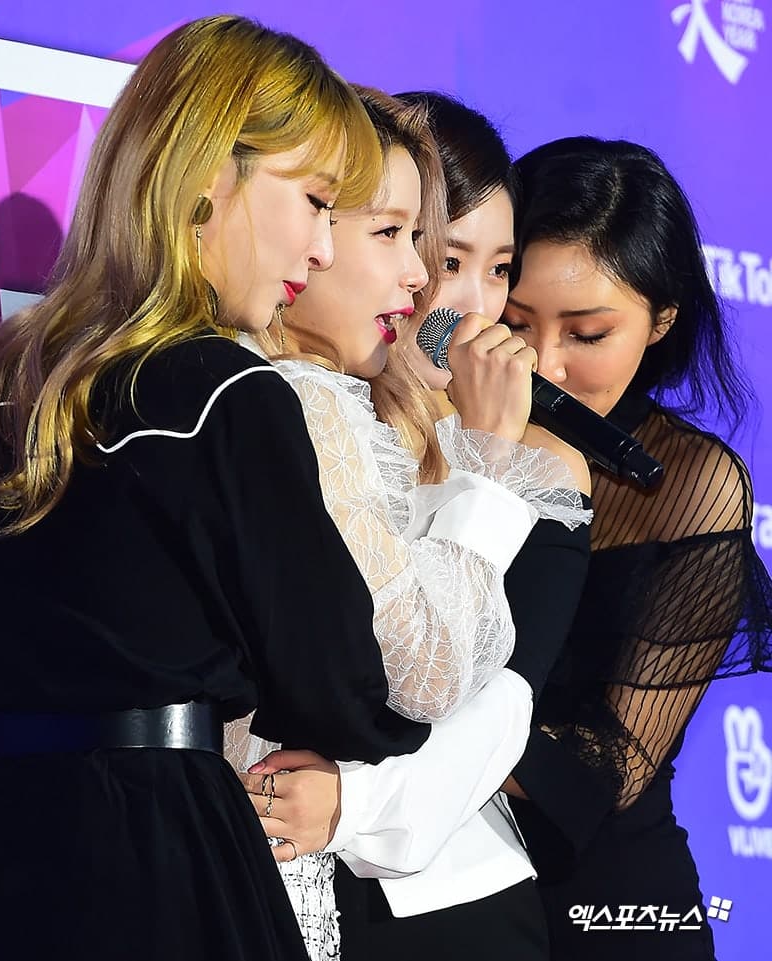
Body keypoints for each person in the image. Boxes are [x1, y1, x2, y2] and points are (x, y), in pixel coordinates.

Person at [0, 18, 431, 961]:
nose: (320, 249)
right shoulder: (230, 392)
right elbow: (333, 680)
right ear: (212, 175)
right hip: (158, 846)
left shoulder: (6, 381)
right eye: (315, 201)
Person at [234, 91, 591, 961]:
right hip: (261, 873)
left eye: (499, 270)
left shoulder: (534, 464)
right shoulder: (283, 404)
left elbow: (500, 705)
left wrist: (351, 802)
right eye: (443, 255)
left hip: (443, 898)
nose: (469, 301)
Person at [499, 136, 772, 961]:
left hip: (611, 907)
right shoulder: (434, 428)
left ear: (661, 321)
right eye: (515, 321)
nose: (543, 364)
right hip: (427, 892)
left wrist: (395, 760)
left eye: (587, 333)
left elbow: (613, 764)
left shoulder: (691, 483)